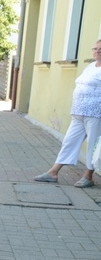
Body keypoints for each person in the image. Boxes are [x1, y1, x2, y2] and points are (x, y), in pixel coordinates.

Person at [34, 39, 101, 188]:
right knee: (69, 141)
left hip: (96, 113)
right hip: (78, 112)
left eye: (100, 50)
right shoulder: (91, 66)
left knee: (93, 145)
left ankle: (88, 176)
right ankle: (53, 172)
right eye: (95, 49)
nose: (96, 51)